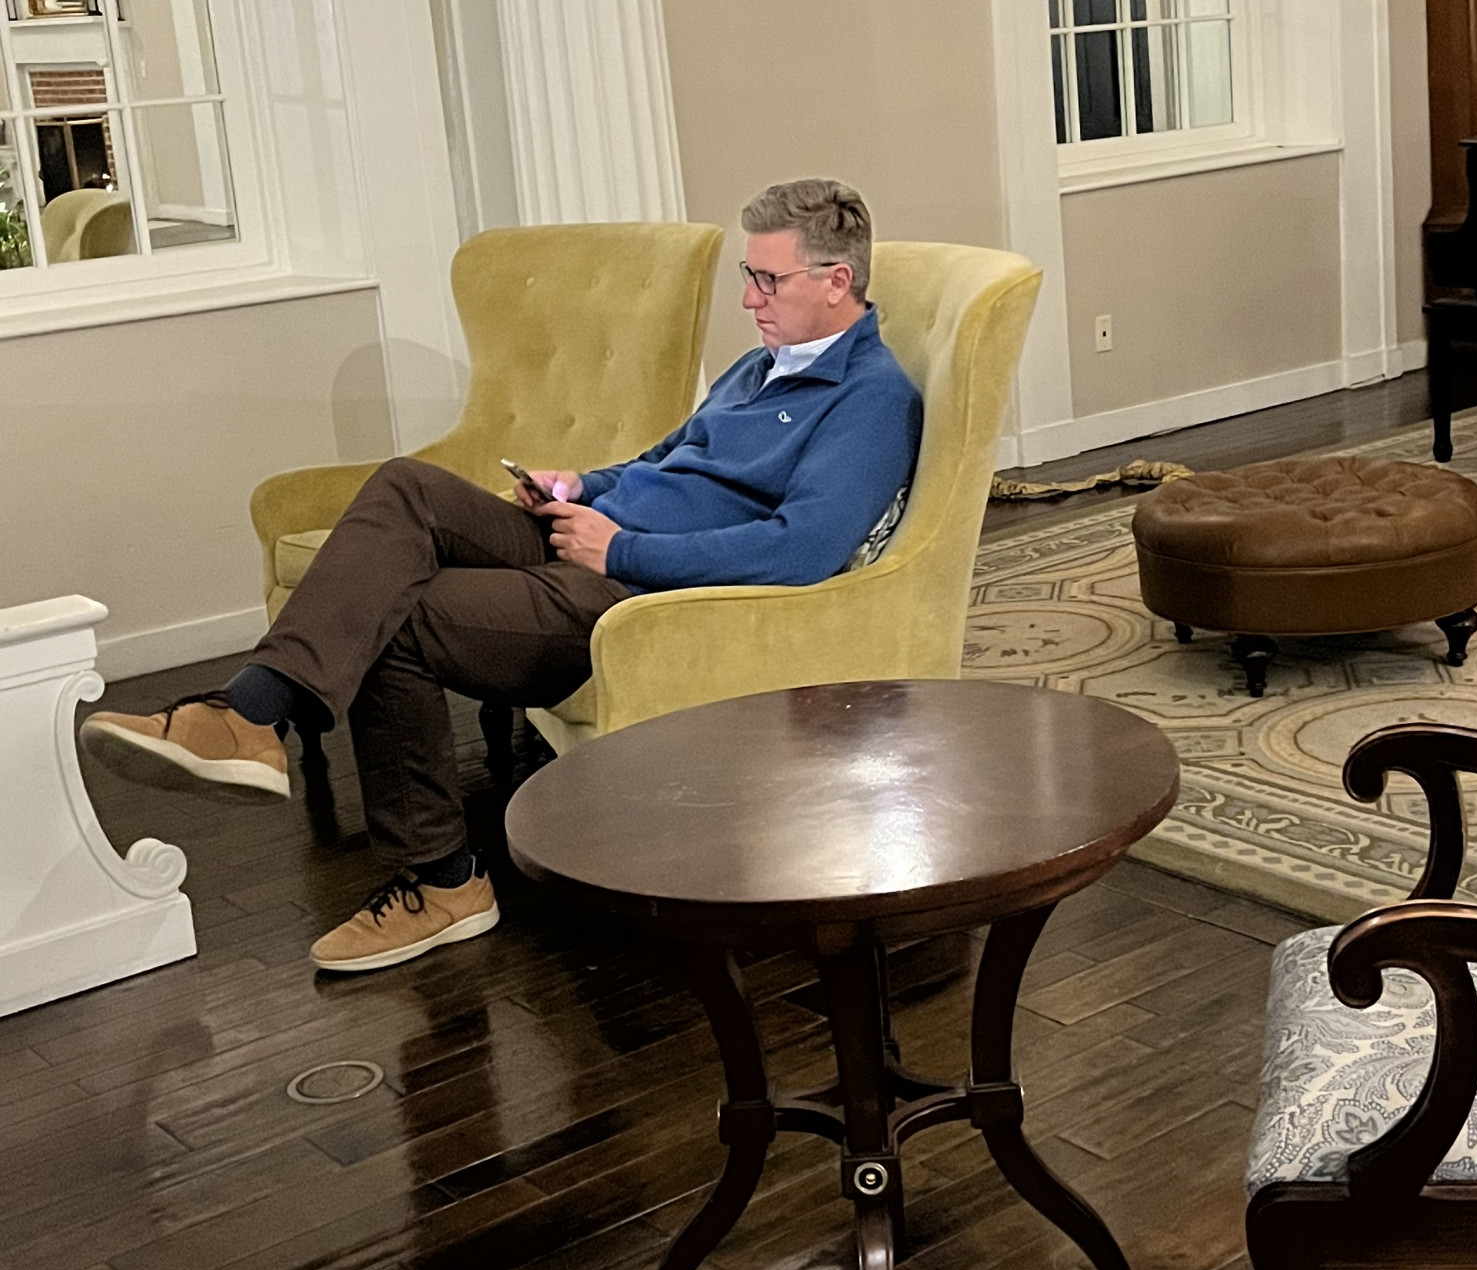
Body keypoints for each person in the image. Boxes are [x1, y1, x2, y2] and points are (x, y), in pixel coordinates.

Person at [84, 180, 922, 973]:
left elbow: (800, 549)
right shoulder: (759, 365)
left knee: (401, 617)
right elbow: (665, 458)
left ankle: (442, 882)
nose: (748, 298)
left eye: (767, 280)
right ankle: (249, 712)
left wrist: (620, 551)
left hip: (638, 592)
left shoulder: (871, 398)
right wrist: (580, 485)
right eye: (748, 275)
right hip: (592, 534)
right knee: (406, 486)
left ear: (836, 281)